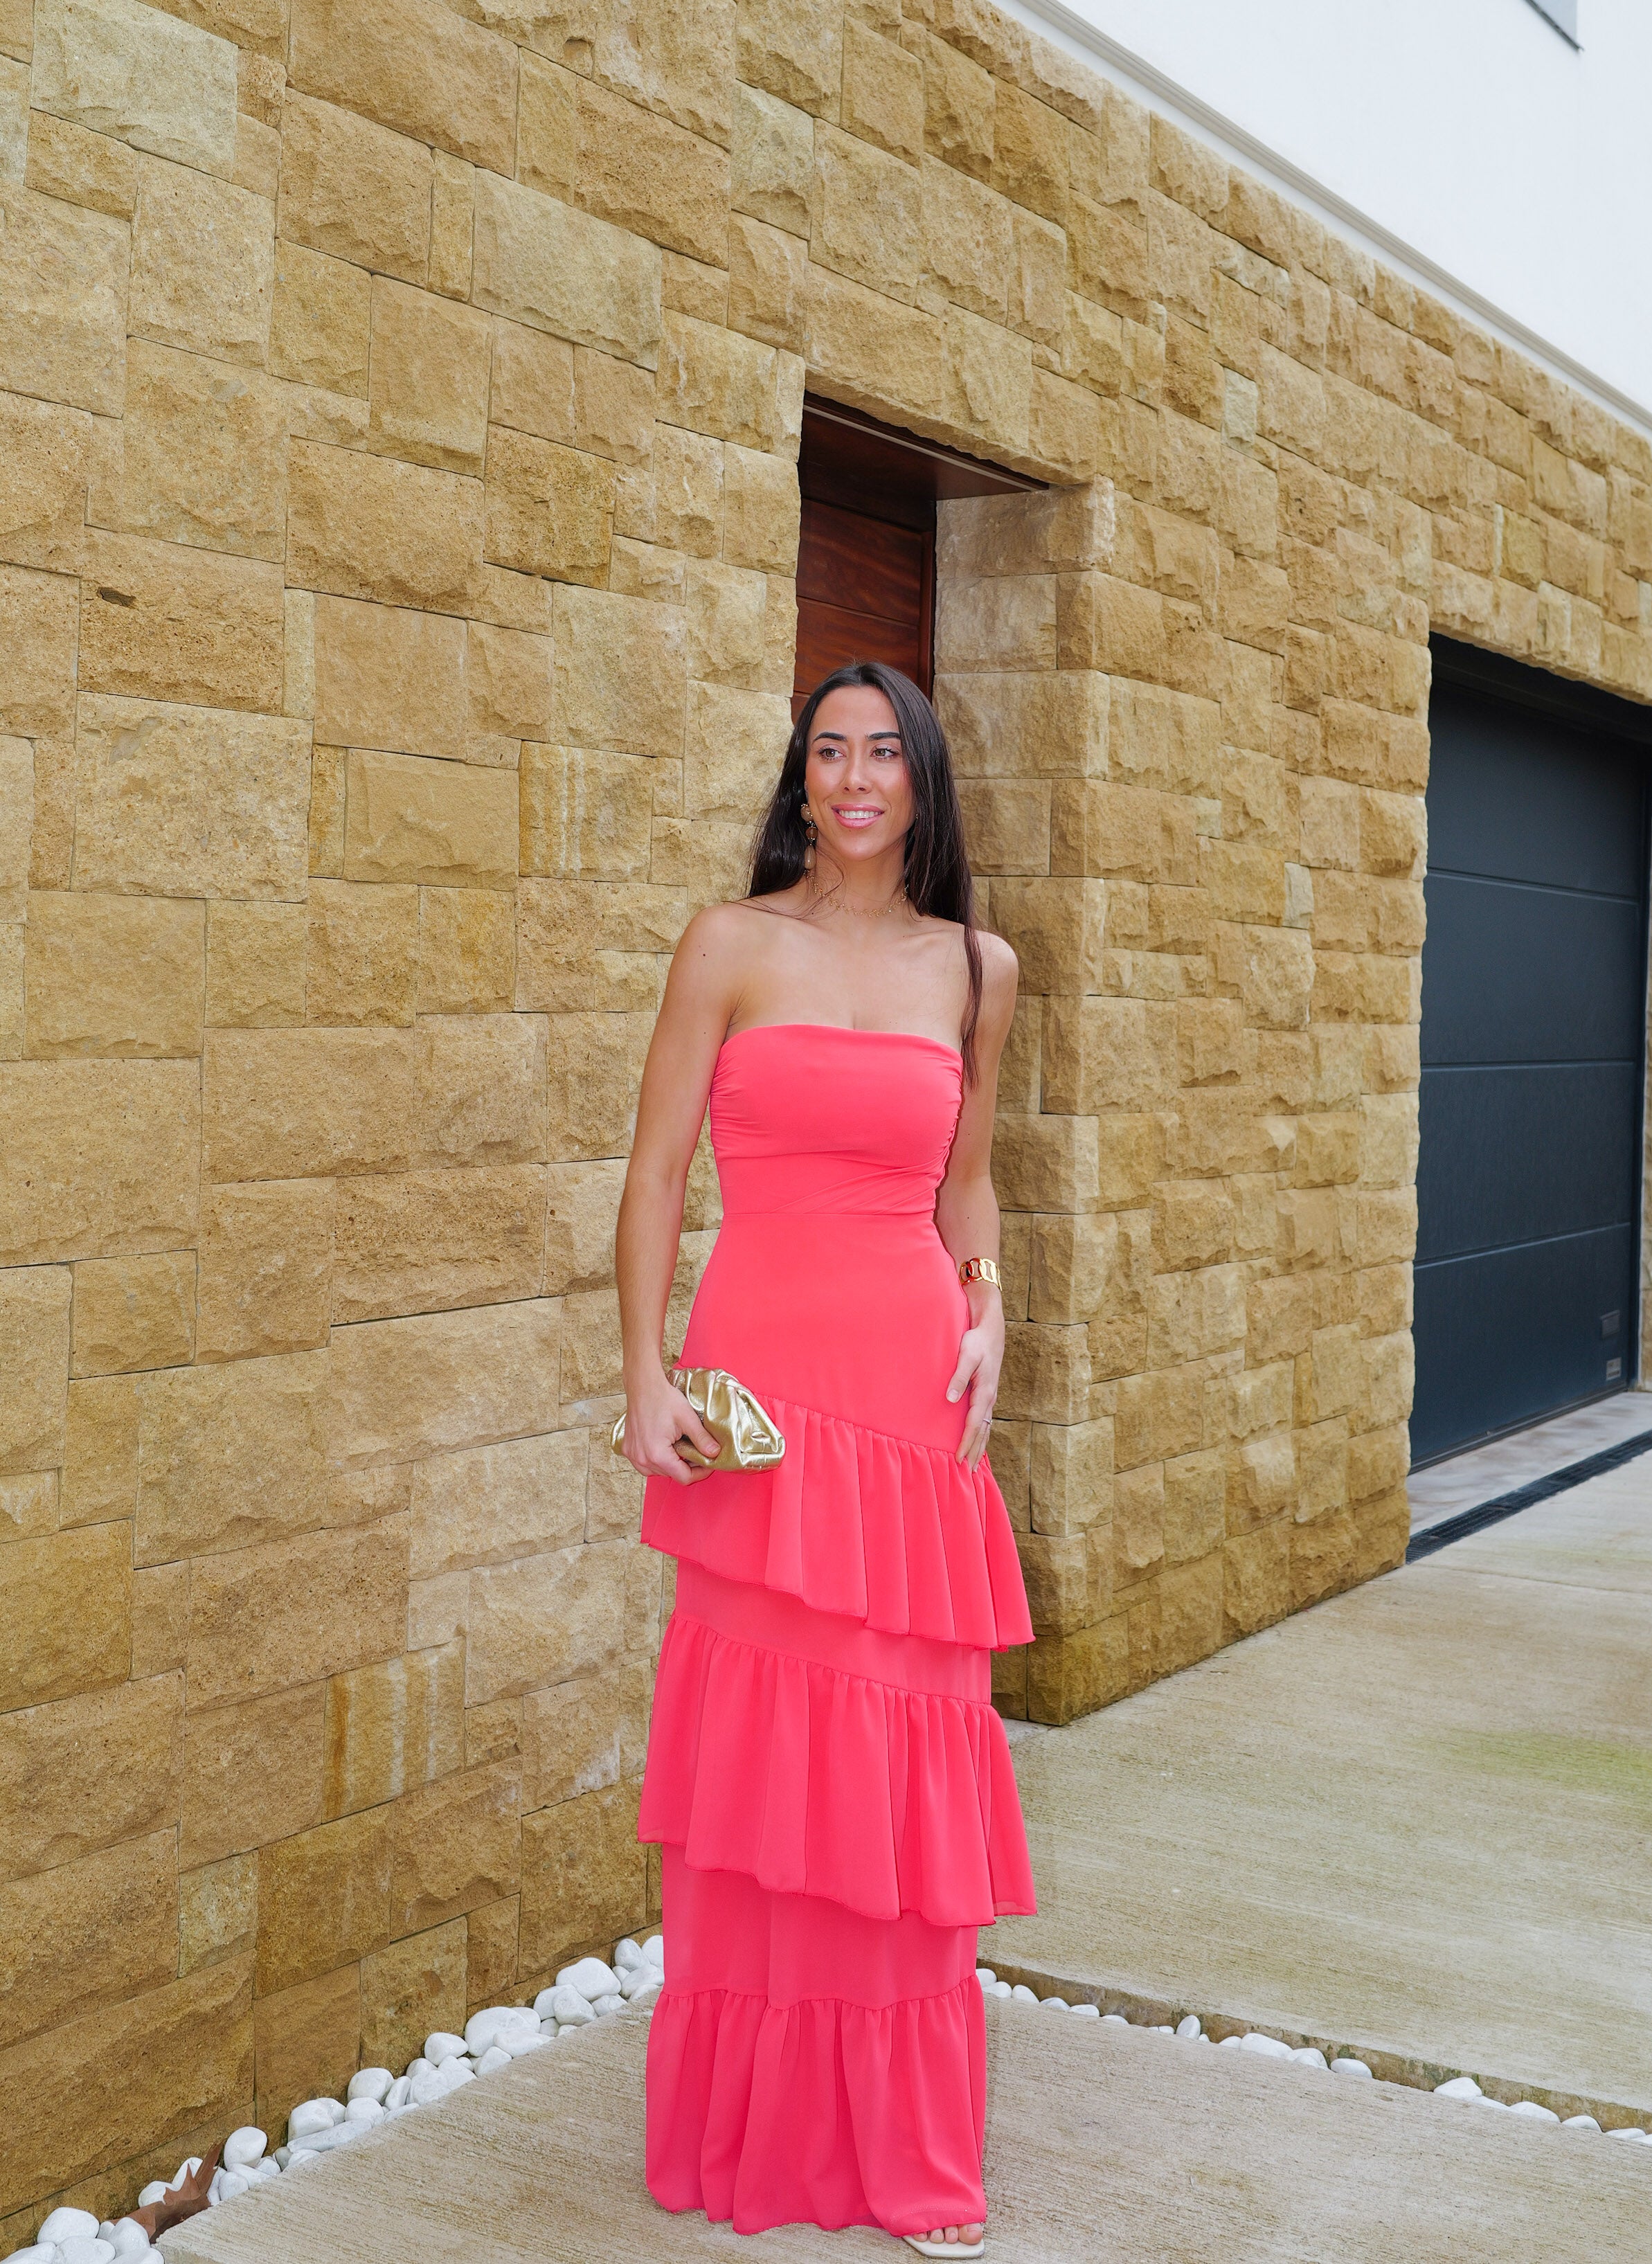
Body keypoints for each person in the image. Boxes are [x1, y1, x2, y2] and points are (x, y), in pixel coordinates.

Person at [614, 660, 1035, 2259]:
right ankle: (761, 2136)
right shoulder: (729, 944)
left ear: (921, 778)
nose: (854, 777)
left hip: (911, 1400)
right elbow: (656, 1174)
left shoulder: (975, 968)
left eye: (882, 752)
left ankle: (902, 2155)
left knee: (899, 1765)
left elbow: (964, 1182)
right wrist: (642, 1374)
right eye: (828, 752)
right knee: (764, 1757)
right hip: (761, 1396)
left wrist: (990, 1308)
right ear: (801, 779)